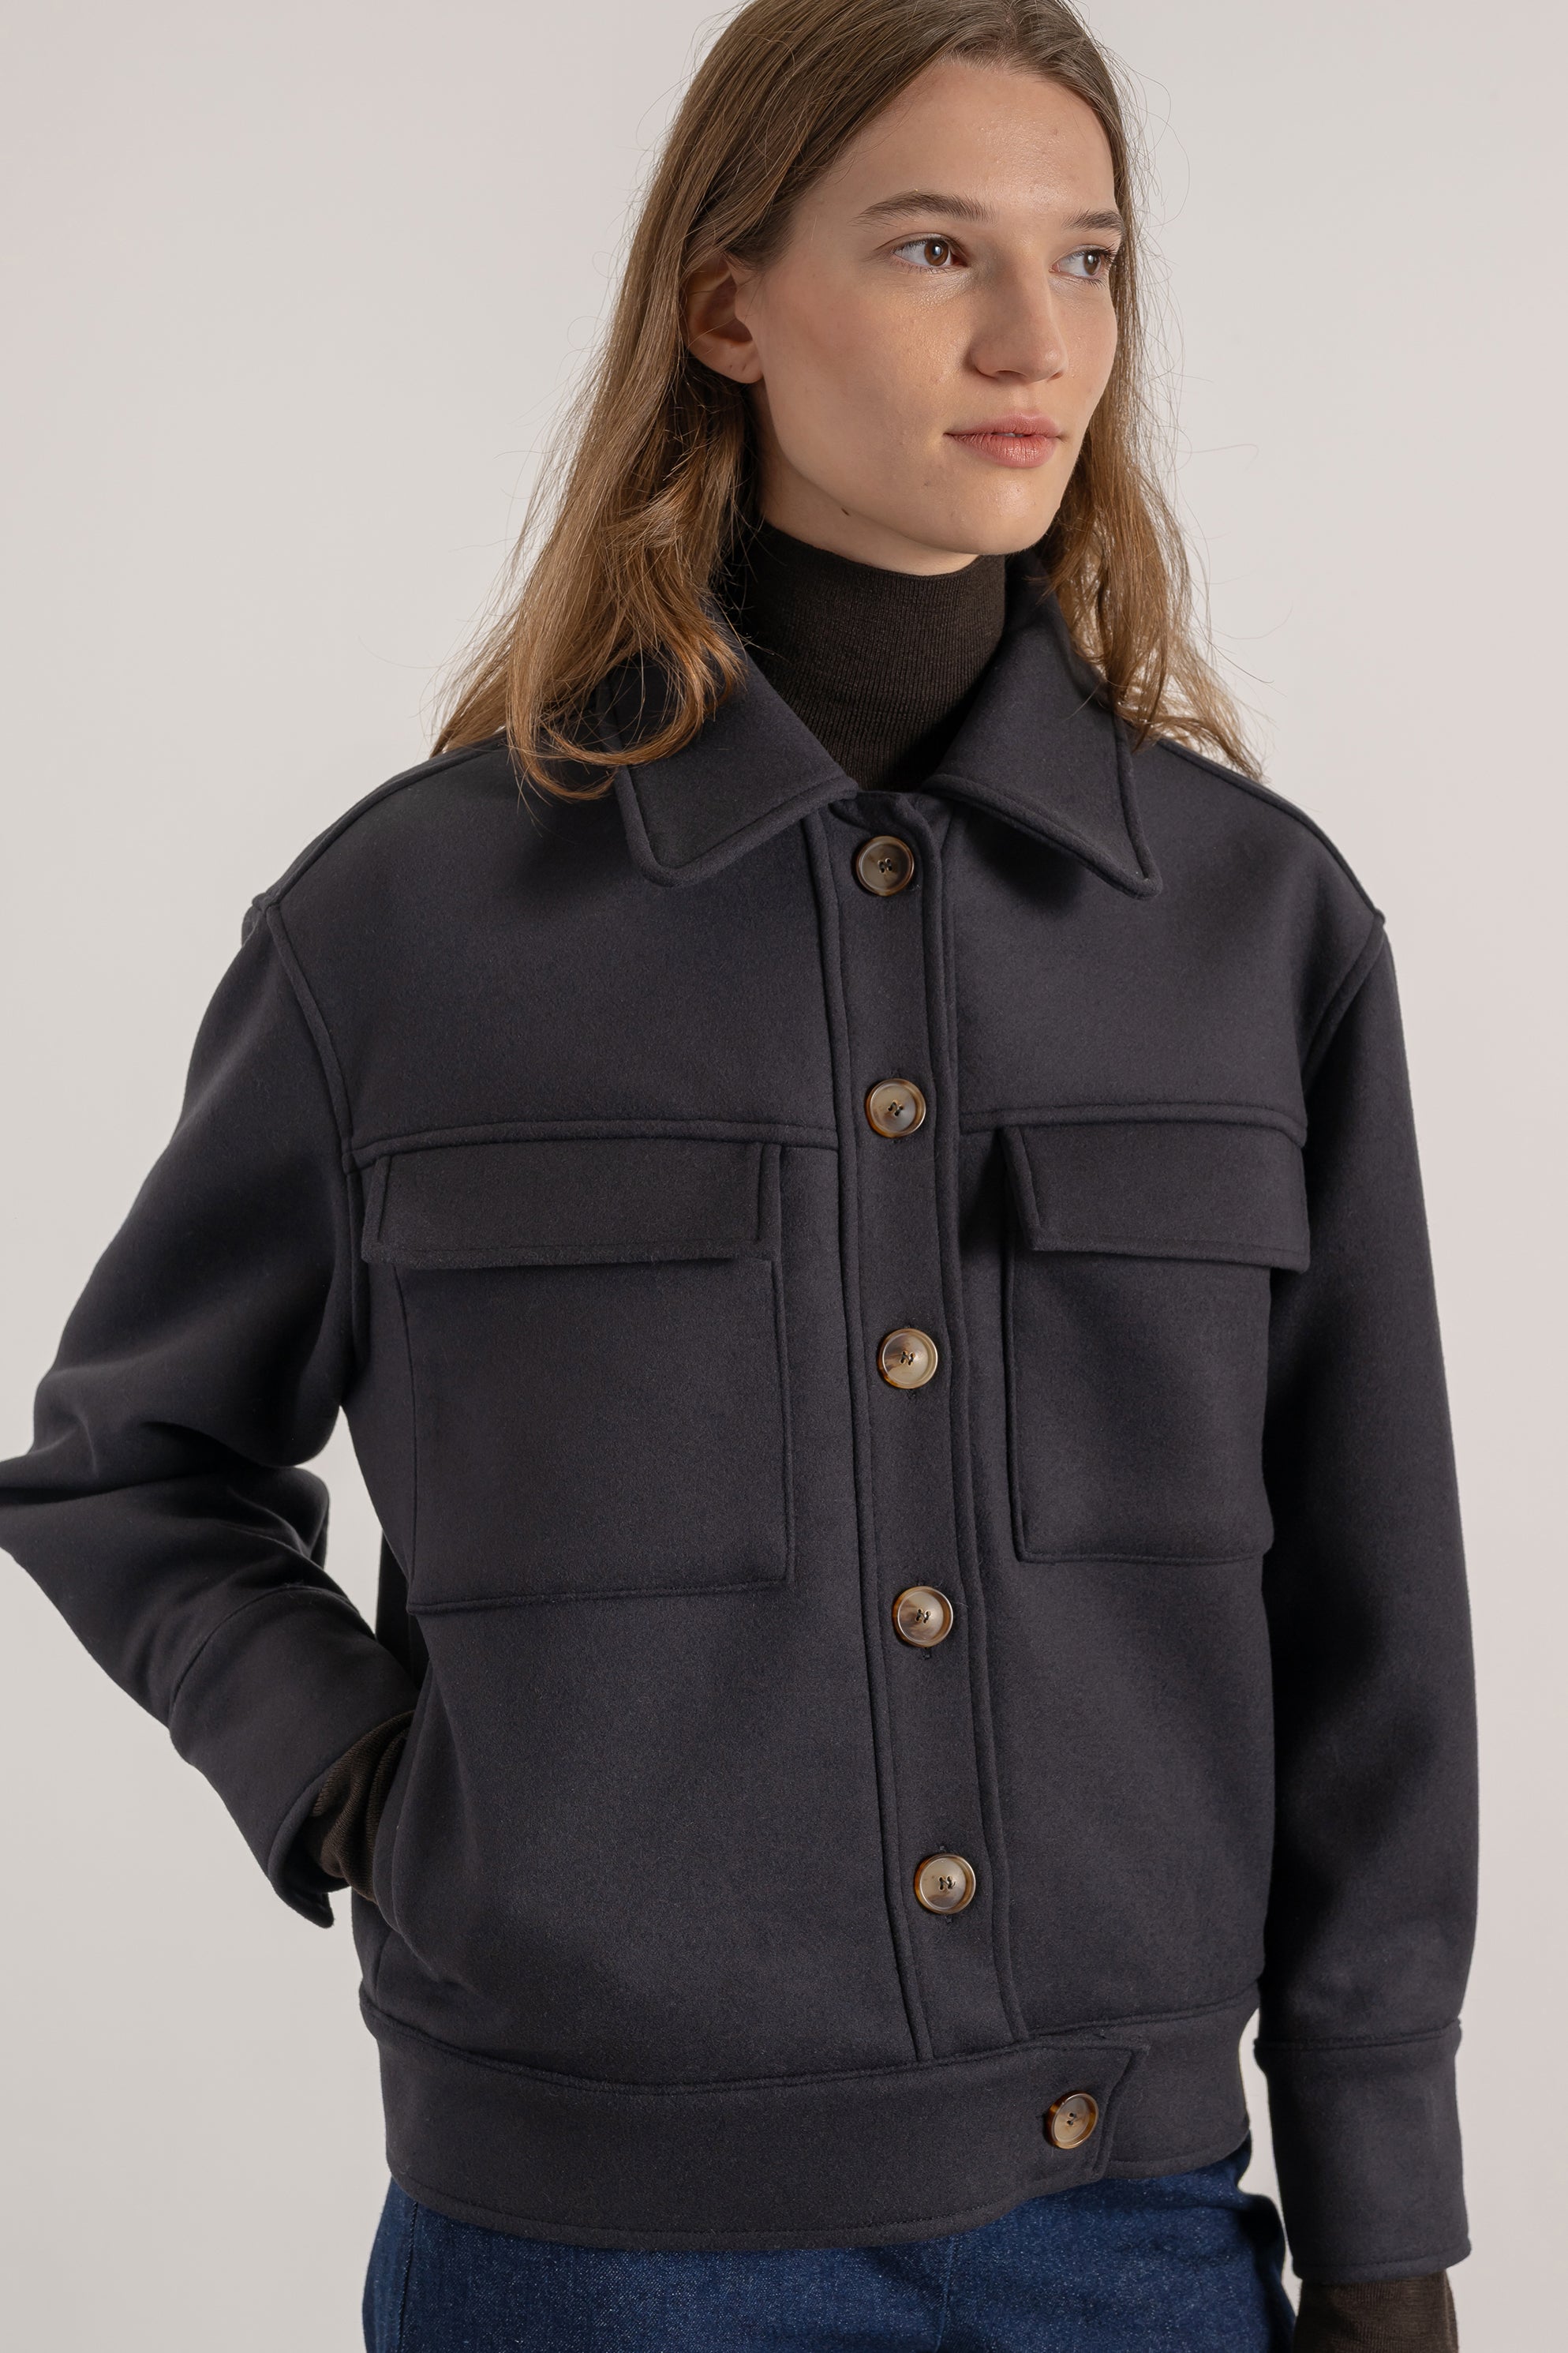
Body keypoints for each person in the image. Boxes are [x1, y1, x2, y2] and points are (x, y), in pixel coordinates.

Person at [0, 3, 1474, 2347]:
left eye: (1089, 258)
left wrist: (1388, 2222)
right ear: (726, 308)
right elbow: (125, 1462)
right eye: (933, 248)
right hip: (577, 2258)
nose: (1038, 339)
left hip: (1136, 2243)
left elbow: (1376, 1616)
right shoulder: (405, 928)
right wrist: (364, 1785)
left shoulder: (1251, 927)